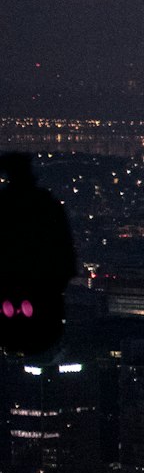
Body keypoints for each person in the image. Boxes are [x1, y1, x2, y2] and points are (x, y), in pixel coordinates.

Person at [0, 151, 76, 357]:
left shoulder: (5, 205)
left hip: (17, 282)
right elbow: (64, 247)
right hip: (40, 285)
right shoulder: (46, 203)